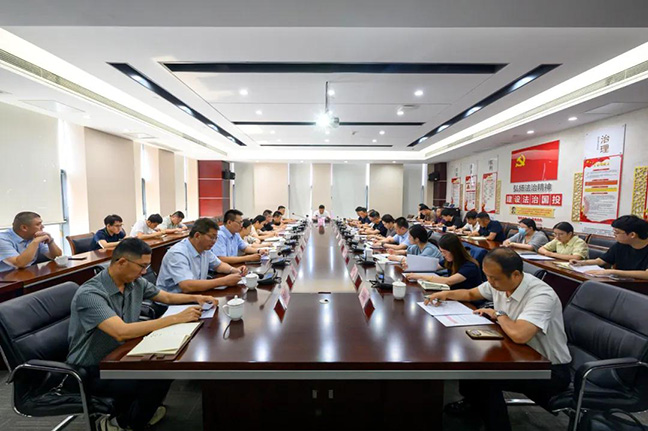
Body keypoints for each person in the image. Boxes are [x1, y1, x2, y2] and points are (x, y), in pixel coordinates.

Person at [67, 238, 215, 431]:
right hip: (93, 366)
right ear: (122, 262)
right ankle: (119, 424)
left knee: (166, 367)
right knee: (155, 377)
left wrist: (196, 297)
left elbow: (165, 296)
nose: (145, 271)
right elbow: (120, 332)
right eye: (142, 266)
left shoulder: (134, 282)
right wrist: (176, 318)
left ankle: (138, 413)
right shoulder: (90, 294)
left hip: (123, 354)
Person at [425, 248, 571, 431]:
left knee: (486, 377)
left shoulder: (541, 296)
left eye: (494, 278)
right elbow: (471, 294)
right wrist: (445, 294)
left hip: (548, 368)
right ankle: (472, 405)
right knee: (470, 359)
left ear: (515, 274)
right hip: (519, 355)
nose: (490, 282)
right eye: (487, 276)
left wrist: (498, 314)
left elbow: (520, 335)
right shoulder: (500, 282)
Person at [157, 217, 246, 295]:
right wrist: (224, 281)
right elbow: (186, 286)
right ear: (197, 235)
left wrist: (233, 270)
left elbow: (218, 265)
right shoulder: (178, 253)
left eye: (216, 238)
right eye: (211, 237)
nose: (214, 241)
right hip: (174, 302)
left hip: (195, 295)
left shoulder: (204, 249)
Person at [570, 215, 648, 280]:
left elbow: (646, 274)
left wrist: (611, 271)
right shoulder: (621, 245)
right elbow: (601, 261)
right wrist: (582, 262)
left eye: (617, 232)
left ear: (632, 235)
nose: (614, 235)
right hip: (622, 282)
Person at [406, 234, 482, 290]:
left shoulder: (470, 266)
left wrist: (419, 276)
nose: (442, 255)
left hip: (468, 302)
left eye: (444, 252)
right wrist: (409, 265)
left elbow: (448, 281)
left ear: (454, 251)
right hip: (454, 294)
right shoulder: (451, 260)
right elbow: (433, 266)